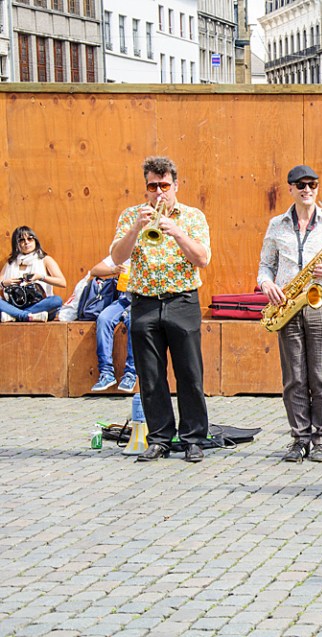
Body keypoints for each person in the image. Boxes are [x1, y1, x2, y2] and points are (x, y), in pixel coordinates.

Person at [110, 156, 211, 463]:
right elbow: (117, 257)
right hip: (144, 302)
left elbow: (203, 259)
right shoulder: (132, 216)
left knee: (189, 374)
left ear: (175, 185)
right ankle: (159, 439)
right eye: (152, 186)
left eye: (164, 185)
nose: (158, 192)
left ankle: (194, 438)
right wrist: (137, 228)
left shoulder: (192, 217)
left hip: (182, 300)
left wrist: (177, 232)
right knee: (151, 376)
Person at [258, 165, 322, 463]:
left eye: (312, 184)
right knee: (294, 376)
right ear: (290, 188)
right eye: (300, 185)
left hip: (321, 299)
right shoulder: (276, 225)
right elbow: (266, 265)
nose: (307, 190)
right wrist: (266, 284)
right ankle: (299, 438)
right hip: (287, 302)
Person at [89, 257, 137, 392]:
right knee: (103, 319)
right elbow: (95, 270)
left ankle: (131, 373)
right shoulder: (123, 252)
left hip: (142, 301)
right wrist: (113, 270)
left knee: (135, 322)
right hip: (123, 299)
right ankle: (106, 373)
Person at [0, 226, 66, 322]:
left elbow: (62, 282)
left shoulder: (45, 259)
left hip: (38, 305)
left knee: (56, 301)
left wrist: (41, 277)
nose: (26, 242)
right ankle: (26, 316)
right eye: (21, 240)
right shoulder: (10, 263)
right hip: (15, 304)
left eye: (30, 239)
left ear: (35, 240)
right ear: (16, 244)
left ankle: (14, 316)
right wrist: (3, 283)